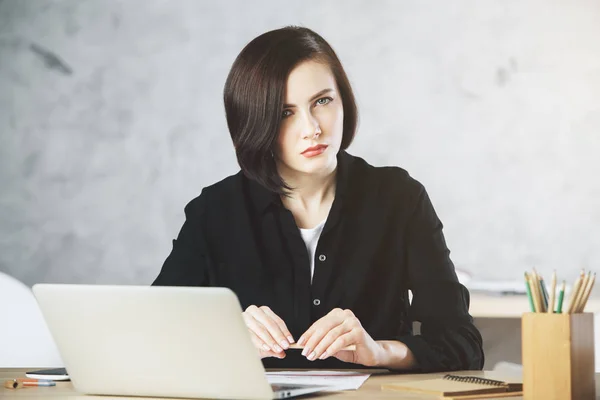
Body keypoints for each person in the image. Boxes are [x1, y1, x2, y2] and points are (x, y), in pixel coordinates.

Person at [153, 26, 484, 372]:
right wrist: (224, 337)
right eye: (285, 113)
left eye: (322, 101)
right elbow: (151, 330)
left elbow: (463, 343)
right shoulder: (216, 211)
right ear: (256, 122)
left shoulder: (399, 198)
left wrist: (380, 351)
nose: (312, 128)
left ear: (343, 100)